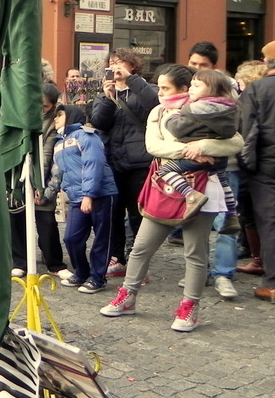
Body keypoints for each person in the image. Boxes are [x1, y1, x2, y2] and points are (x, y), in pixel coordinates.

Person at [100, 65, 243, 331]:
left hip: (202, 189)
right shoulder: (159, 111)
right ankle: (128, 295)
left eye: (166, 88)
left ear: (185, 88)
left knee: (195, 252)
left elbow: (235, 142)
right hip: (164, 185)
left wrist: (203, 146)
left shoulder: (209, 107)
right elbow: (153, 146)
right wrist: (189, 151)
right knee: (141, 246)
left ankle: (190, 307)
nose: (160, 92)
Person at [88, 49, 159, 276]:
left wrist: (132, 80)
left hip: (140, 162)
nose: (115, 66)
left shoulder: (144, 89)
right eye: (112, 63)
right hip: (113, 161)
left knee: (138, 214)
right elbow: (99, 122)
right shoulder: (104, 94)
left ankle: (139, 262)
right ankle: (116, 257)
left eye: (120, 62)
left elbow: (154, 106)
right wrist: (109, 99)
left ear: (132, 66)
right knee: (113, 213)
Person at [40, 105, 117, 293]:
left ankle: (98, 278)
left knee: (101, 238)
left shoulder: (87, 136)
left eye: (60, 115)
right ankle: (82, 272)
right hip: (75, 197)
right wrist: (47, 193)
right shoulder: (59, 143)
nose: (56, 119)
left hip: (101, 195)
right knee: (71, 238)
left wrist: (88, 195)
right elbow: (59, 174)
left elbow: (93, 165)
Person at [153, 69, 239, 224]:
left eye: (196, 86)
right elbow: (235, 136)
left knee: (164, 170)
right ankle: (232, 214)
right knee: (223, 180)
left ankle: (191, 195)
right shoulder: (231, 108)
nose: (191, 88)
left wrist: (170, 118)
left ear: (211, 90)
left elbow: (178, 129)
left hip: (193, 161)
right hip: (220, 159)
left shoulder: (194, 109)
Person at [13, 82, 71, 279]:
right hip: (18, 172)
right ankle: (19, 260)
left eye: (45, 106)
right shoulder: (21, 112)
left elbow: (46, 153)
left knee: (46, 221)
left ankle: (54, 262)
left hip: (43, 177)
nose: (40, 109)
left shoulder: (55, 121)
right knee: (17, 217)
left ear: (53, 106)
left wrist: (38, 182)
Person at [238, 43, 275, 303]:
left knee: (269, 222)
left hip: (266, 164)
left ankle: (272, 284)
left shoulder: (257, 89)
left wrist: (245, 165)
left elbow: (245, 128)